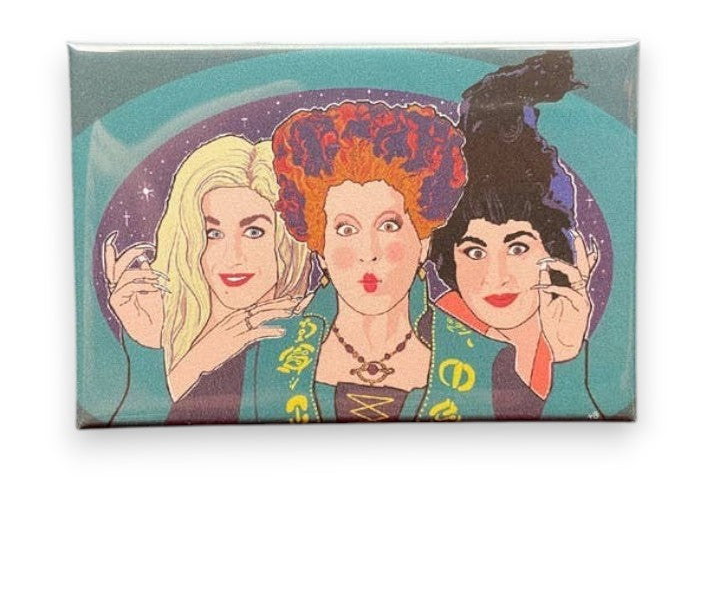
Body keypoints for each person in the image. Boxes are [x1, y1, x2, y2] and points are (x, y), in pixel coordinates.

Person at [236, 99, 512, 423]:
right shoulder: (263, 353)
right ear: (321, 250)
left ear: (423, 242)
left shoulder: (488, 360)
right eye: (346, 229)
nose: (368, 251)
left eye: (388, 226)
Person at [429, 51, 602, 418]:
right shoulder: (427, 333)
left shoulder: (565, 333)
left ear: (554, 249)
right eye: (475, 252)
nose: (497, 277)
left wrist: (567, 357)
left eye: (518, 247)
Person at [102, 134, 311, 423]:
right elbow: (130, 432)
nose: (232, 256)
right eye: (212, 233)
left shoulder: (311, 333)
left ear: (288, 240)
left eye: (254, 232)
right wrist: (150, 349)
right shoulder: (165, 333)